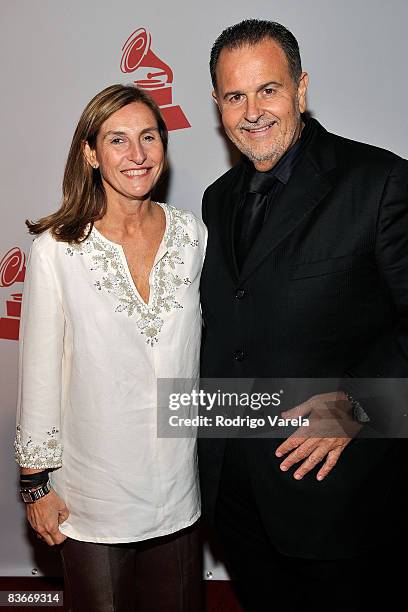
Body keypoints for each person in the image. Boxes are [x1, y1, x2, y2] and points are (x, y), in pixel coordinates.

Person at [199, 19, 408, 611]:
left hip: (340, 501)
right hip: (235, 495)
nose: (252, 111)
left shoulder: (378, 181)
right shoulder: (217, 199)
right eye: (235, 96)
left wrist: (360, 404)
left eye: (268, 89)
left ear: (301, 89)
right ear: (217, 105)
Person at [15, 84, 206, 612]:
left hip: (177, 485)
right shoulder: (57, 249)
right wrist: (36, 485)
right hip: (91, 494)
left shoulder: (193, 235)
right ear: (91, 153)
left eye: (149, 136)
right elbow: (39, 374)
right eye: (117, 140)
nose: (137, 154)